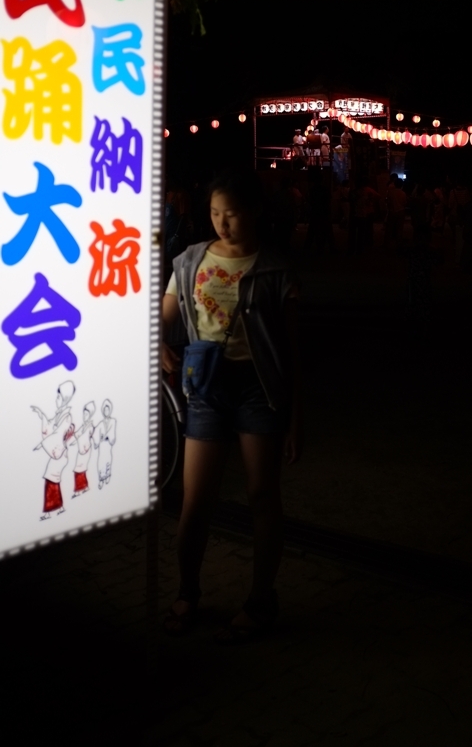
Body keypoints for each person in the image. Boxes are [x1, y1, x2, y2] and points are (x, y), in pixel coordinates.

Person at [161, 172, 302, 641]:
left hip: (259, 391)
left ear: (255, 211)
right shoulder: (190, 261)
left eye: (233, 213)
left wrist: (295, 417)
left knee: (263, 496)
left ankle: (261, 600)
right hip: (206, 389)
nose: (222, 223)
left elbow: (292, 349)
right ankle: (187, 591)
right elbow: (163, 316)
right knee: (195, 501)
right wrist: (157, 345)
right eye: (215, 213)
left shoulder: (276, 269)